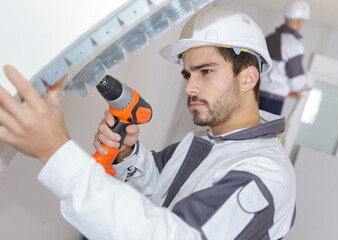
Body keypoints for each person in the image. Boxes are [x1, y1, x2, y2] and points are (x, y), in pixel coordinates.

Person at [0, 7, 296, 240]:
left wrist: (56, 152)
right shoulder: (208, 140)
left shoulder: (264, 173)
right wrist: (128, 154)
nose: (190, 87)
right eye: (187, 74)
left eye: (205, 71)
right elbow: (159, 188)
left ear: (248, 77)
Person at [259, 0, 310, 115]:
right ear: (300, 21)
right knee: (266, 133)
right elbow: (296, 82)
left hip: (254, 92)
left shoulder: (268, 38)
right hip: (272, 99)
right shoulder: (293, 45)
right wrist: (301, 88)